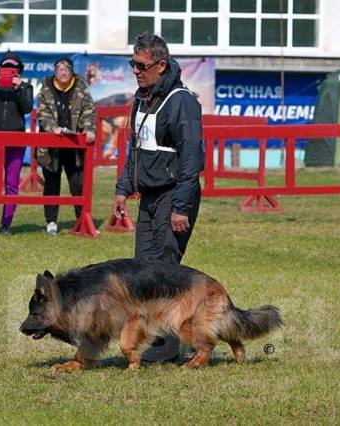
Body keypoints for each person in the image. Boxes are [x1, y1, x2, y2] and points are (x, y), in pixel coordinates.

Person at [113, 32, 204, 360]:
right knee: (143, 271)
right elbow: (134, 148)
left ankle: (168, 347)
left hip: (174, 197)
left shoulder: (182, 101)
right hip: (149, 198)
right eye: (131, 64)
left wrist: (181, 206)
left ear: (161, 65)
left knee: (165, 271)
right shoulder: (143, 98)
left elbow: (192, 159)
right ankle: (155, 341)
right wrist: (123, 188)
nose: (134, 70)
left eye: (140, 65)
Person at [36, 57, 96, 235]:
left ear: (71, 72)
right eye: (59, 69)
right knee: (51, 184)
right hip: (51, 145)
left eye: (66, 69)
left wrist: (89, 129)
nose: (63, 72)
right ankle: (51, 222)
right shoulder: (46, 87)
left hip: (74, 145)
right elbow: (42, 111)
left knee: (77, 184)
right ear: (55, 71)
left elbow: (89, 110)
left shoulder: (80, 87)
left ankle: (81, 220)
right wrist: (52, 128)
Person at [0, 52, 33, 235]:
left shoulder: (26, 87)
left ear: (19, 70)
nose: (9, 71)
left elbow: (26, 108)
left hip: (15, 139)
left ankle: (6, 225)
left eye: (13, 68)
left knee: (11, 183)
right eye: (6, 67)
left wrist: (18, 89)